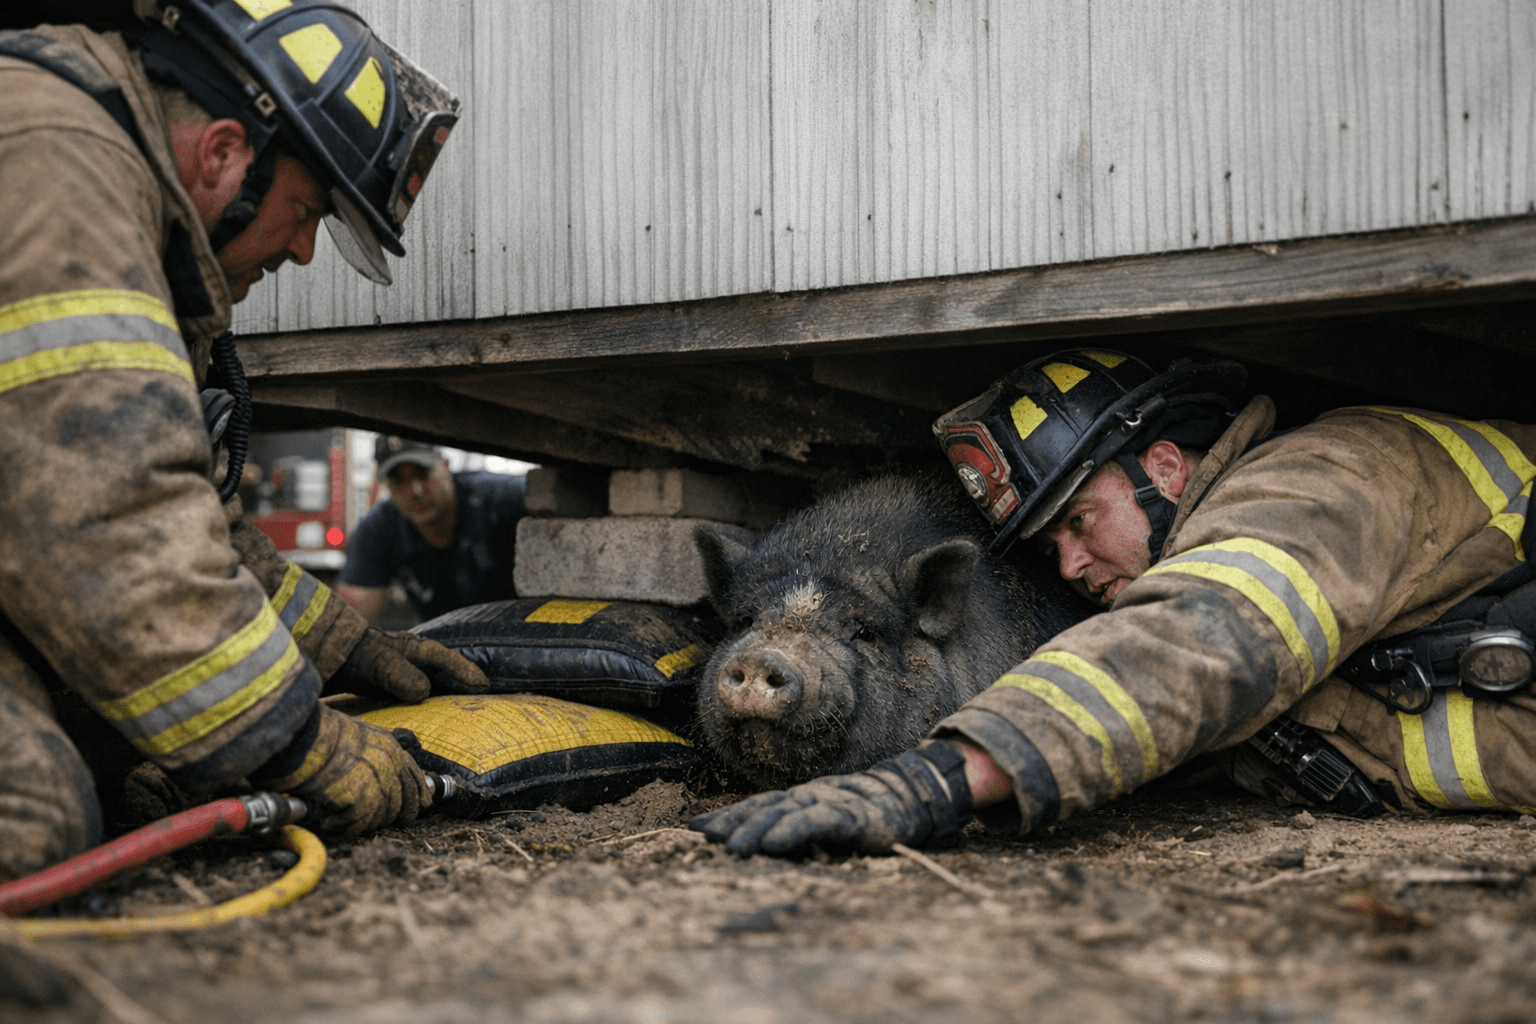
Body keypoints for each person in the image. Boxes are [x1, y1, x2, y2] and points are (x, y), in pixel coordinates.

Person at [0, 0, 487, 881]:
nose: (303, 251)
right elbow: (108, 527)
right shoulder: (56, 157)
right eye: (307, 211)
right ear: (225, 153)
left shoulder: (115, 186)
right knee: (32, 808)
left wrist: (347, 645)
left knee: (116, 746)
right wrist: (304, 746)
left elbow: (197, 529)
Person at [694, 348, 1536, 855]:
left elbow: (1201, 640)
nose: (1070, 563)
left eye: (1081, 519)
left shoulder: (1335, 474)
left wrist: (935, 782)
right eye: (1051, 544)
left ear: (1163, 469)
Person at [337, 436, 526, 625]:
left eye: (422, 474)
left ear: (446, 467)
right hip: (444, 646)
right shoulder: (377, 529)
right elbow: (350, 624)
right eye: (399, 480)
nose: (415, 491)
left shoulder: (503, 500)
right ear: (387, 486)